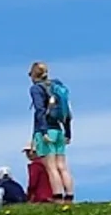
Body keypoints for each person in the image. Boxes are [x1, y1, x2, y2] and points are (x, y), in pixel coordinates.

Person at [28, 62, 76, 203]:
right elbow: (67, 111)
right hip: (59, 130)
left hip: (46, 130)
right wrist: (68, 133)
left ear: (33, 75)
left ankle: (57, 196)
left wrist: (43, 131)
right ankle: (69, 195)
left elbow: (40, 110)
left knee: (51, 167)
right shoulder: (56, 87)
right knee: (62, 165)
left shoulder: (36, 89)